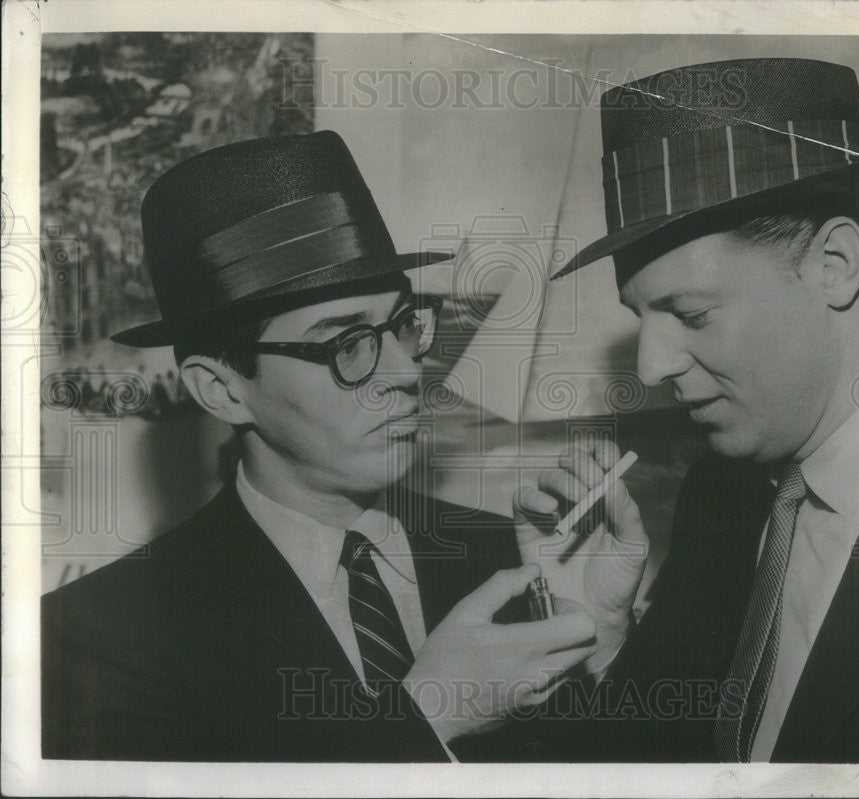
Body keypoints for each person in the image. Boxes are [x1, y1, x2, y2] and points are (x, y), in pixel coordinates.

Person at [41, 131, 604, 762]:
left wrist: (606, 643)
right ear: (222, 391)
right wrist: (423, 721)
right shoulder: (99, 633)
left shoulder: (515, 559)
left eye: (402, 325)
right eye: (347, 345)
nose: (405, 372)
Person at [516, 58, 859, 763]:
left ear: (836, 265)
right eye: (640, 316)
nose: (650, 367)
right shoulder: (721, 492)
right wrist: (600, 633)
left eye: (688, 313)